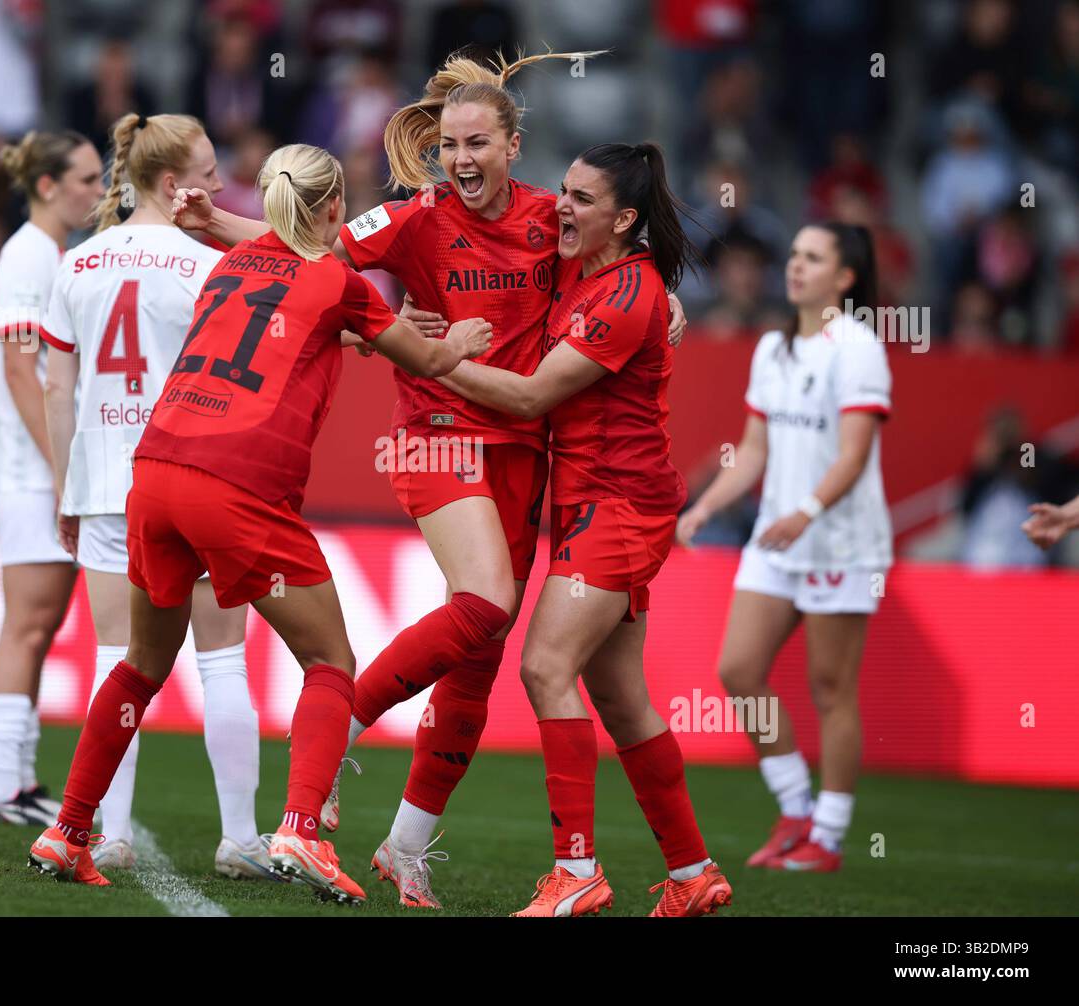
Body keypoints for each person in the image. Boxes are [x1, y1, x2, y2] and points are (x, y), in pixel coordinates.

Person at [174, 50, 687, 909]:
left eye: (478, 143)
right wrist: (213, 224)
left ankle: (407, 847)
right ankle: (342, 732)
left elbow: (613, 269)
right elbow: (308, 249)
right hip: (436, 436)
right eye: (450, 145)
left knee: (478, 666)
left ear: (512, 145)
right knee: (487, 603)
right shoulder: (413, 219)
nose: (461, 160)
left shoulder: (547, 223)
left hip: (524, 453)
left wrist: (665, 294)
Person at [27, 143, 494, 903]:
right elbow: (426, 361)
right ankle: (301, 830)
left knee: (142, 666)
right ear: (336, 208)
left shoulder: (229, 268)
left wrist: (356, 331)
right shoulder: (341, 281)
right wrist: (460, 342)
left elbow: (285, 325)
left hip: (155, 472)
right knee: (330, 663)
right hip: (237, 484)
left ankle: (68, 828)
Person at [432, 142, 732, 917]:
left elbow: (531, 398)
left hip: (621, 508)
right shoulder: (597, 270)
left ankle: (577, 870)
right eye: (563, 191)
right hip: (591, 503)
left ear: (623, 218)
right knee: (621, 696)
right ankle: (693, 871)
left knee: (543, 667)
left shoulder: (626, 293)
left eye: (582, 199)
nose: (562, 207)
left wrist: (427, 357)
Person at [36, 113, 270, 880]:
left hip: (105, 487)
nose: (217, 185)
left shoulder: (75, 265)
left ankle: (110, 833)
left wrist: (67, 491)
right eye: (206, 172)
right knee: (224, 662)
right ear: (173, 184)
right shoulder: (209, 266)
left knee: (118, 662)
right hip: (191, 481)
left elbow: (60, 391)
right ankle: (240, 839)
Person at [677, 222, 893, 873]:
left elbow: (854, 455)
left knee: (832, 690)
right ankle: (794, 806)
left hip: (838, 543)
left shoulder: (857, 348)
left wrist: (808, 511)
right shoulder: (771, 346)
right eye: (794, 254)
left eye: (814, 257)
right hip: (775, 538)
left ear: (845, 277)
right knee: (738, 670)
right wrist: (706, 506)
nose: (796, 266)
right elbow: (753, 452)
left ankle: (828, 836)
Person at [0, 129, 102, 829]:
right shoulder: (28, 257)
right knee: (27, 624)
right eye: (84, 179)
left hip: (33, 466)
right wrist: (61, 472)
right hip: (29, 469)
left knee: (36, 623)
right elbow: (22, 371)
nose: (95, 189)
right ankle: (1, 786)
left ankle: (14, 780)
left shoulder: (43, 254)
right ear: (48, 186)